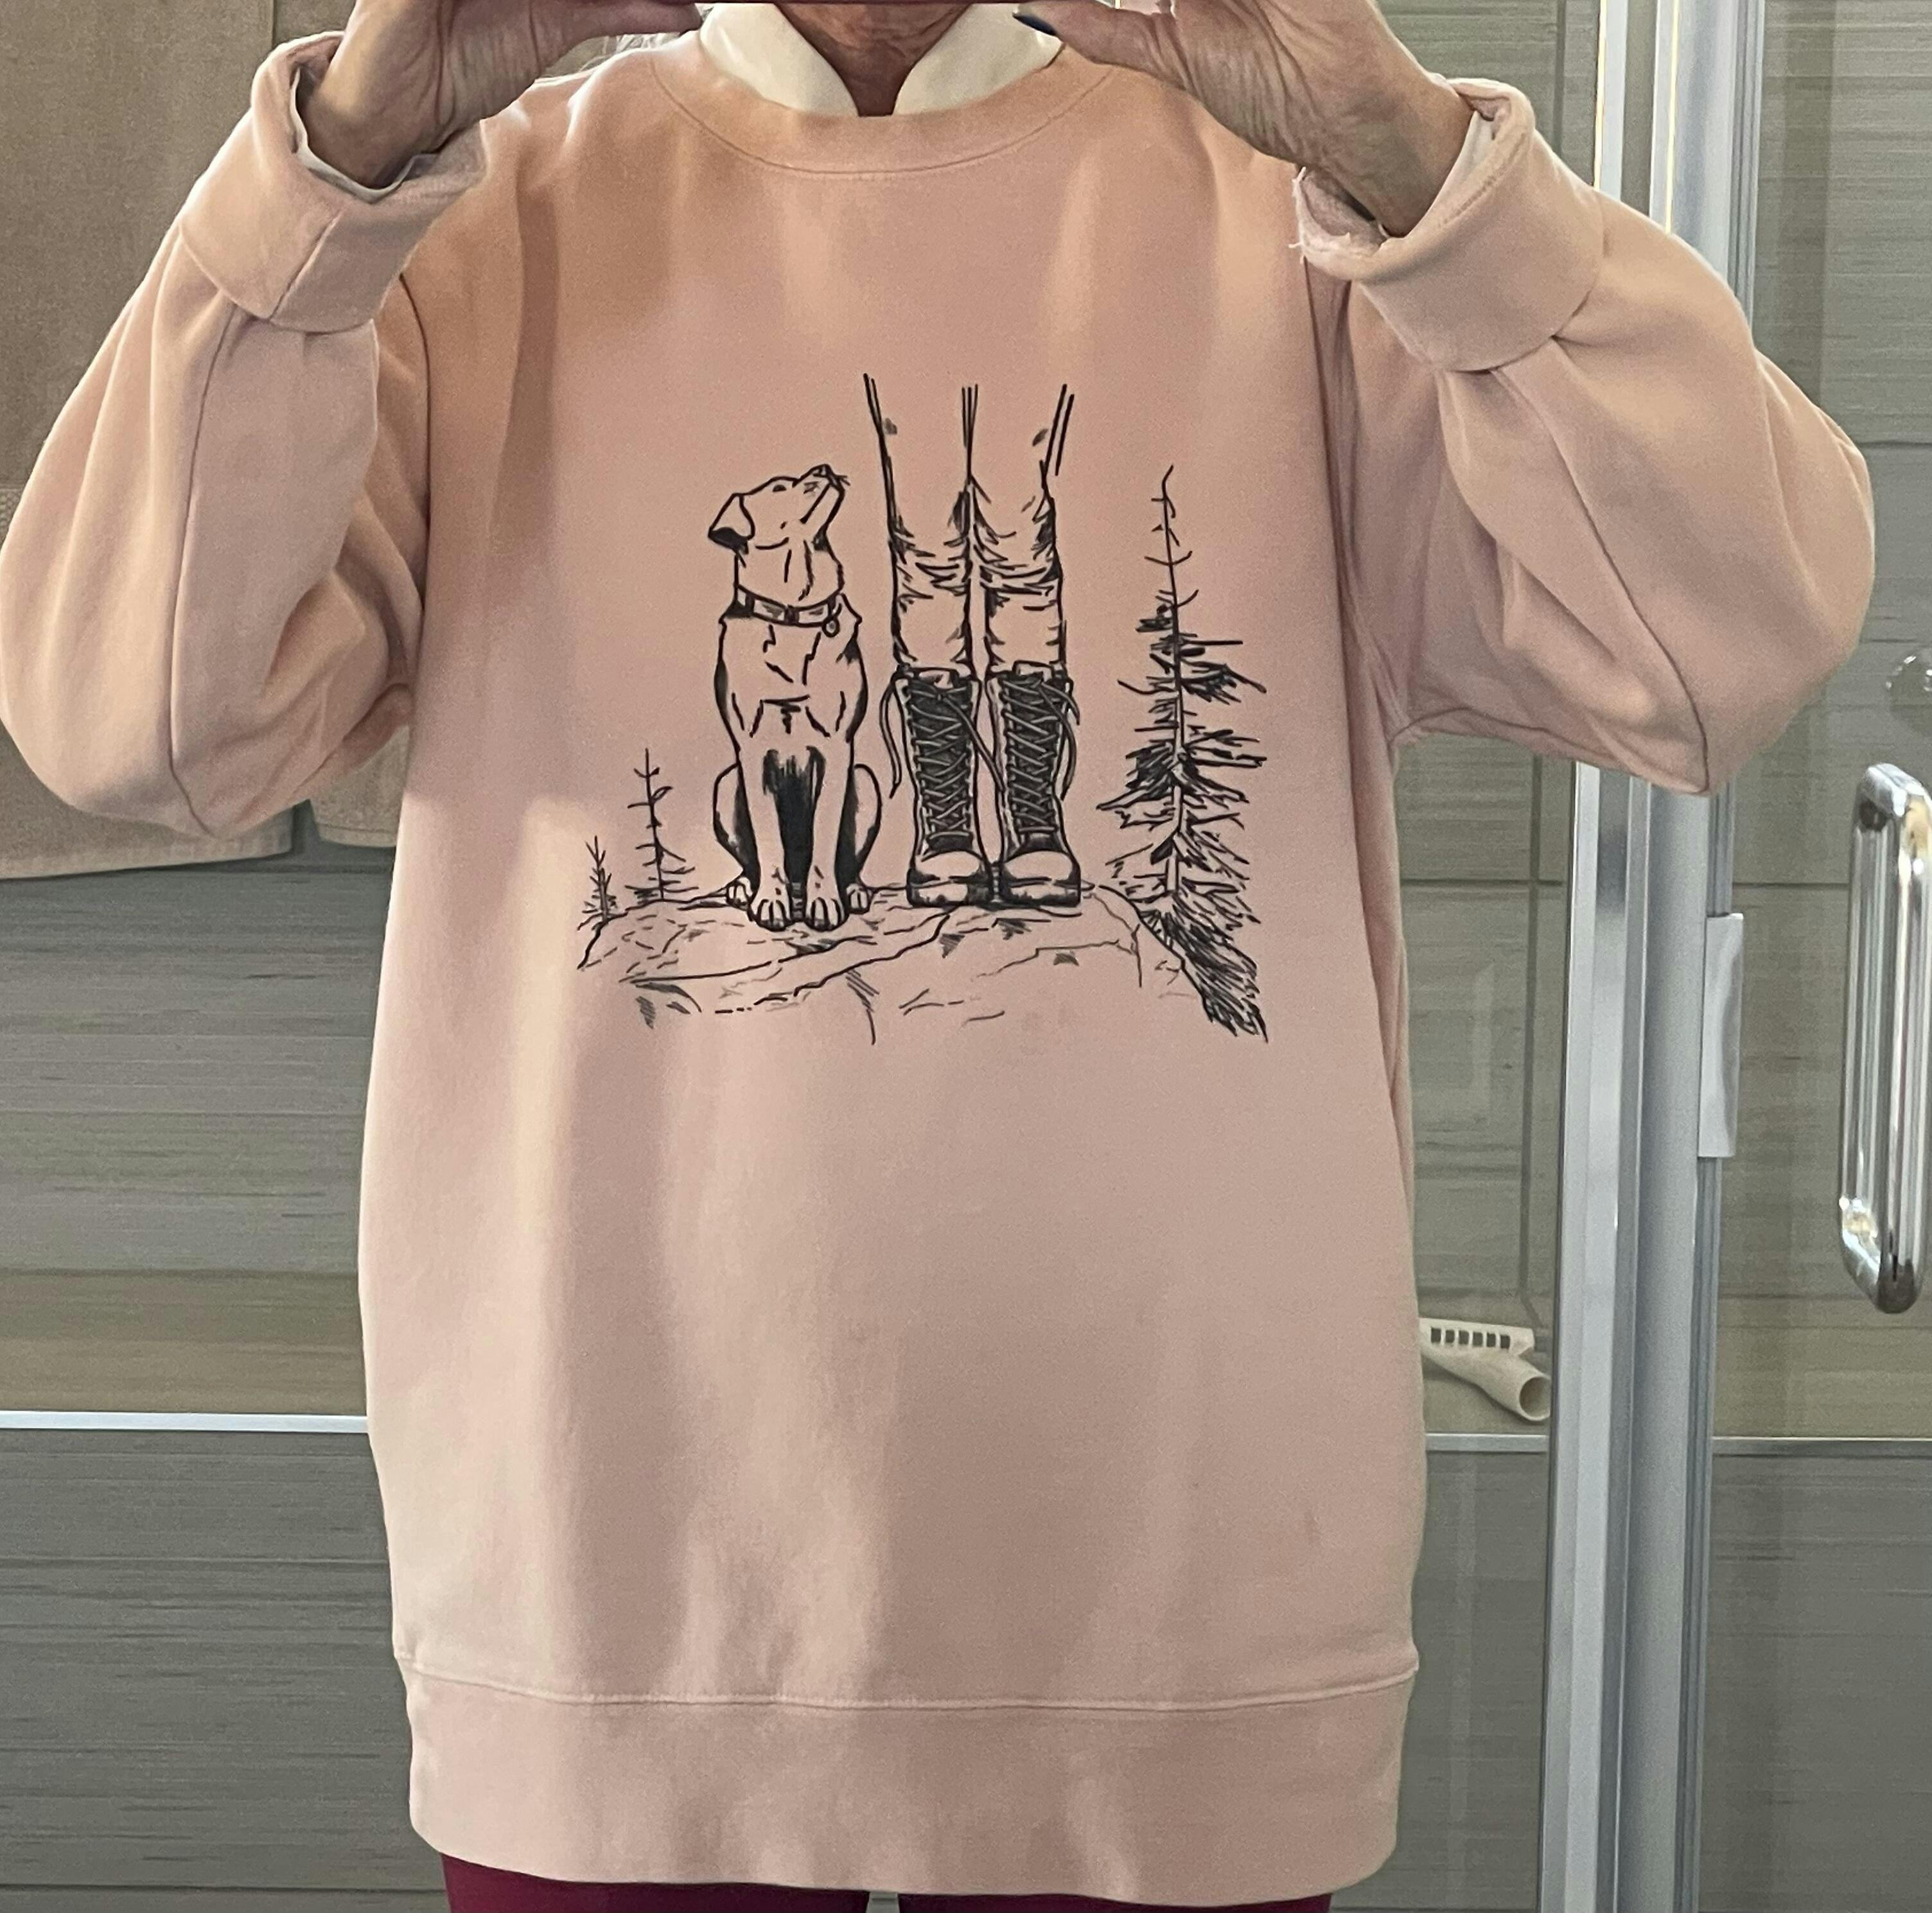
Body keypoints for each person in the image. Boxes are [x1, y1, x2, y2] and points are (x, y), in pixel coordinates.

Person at [0, 0, 1875, 1909]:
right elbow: (130, 720)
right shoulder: (467, 222)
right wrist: (339, 159)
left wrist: (1412, 158)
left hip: (1181, 1627)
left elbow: (1725, 637)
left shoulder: (1310, 219)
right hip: (624, 1607)